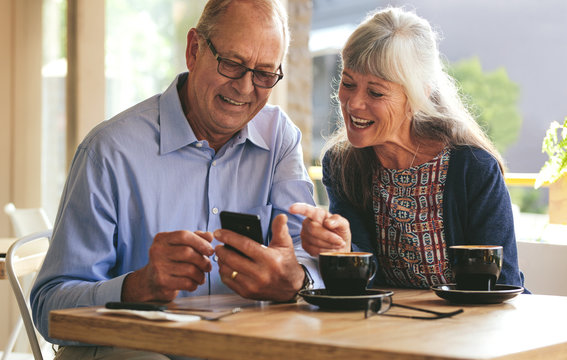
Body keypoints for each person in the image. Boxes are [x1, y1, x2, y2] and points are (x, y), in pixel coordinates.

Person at [31, 1, 321, 359]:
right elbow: (48, 307)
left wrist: (296, 279)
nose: (246, 88)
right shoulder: (109, 151)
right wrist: (137, 287)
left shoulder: (280, 139)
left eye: (264, 74)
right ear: (194, 50)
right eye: (232, 64)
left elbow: (308, 260)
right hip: (139, 350)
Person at [291, 6, 526, 290]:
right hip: (394, 326)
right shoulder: (342, 165)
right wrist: (342, 250)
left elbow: (503, 282)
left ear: (417, 97)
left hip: (473, 328)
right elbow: (365, 283)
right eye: (348, 83)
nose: (353, 103)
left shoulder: (473, 166)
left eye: (375, 92)